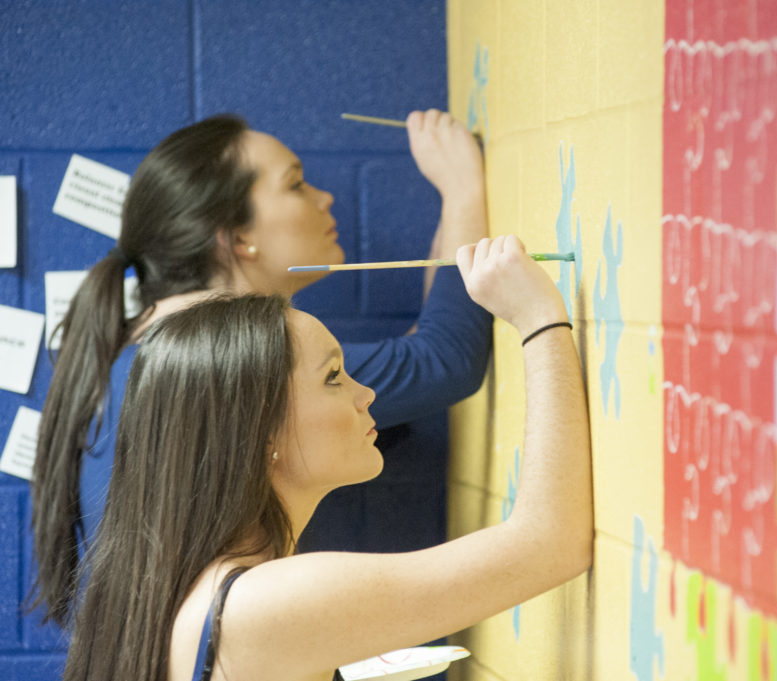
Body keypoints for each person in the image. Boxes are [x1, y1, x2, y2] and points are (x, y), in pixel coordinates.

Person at [31, 110, 491, 628]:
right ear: (237, 238)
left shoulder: (149, 346)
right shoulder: (230, 360)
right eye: (295, 184)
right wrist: (463, 191)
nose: (325, 197)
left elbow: (422, 356)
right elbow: (443, 360)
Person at [62, 236, 592, 681]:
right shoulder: (259, 603)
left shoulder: (213, 593)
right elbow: (550, 544)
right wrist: (539, 319)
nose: (367, 394)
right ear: (258, 432)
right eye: (334, 377)